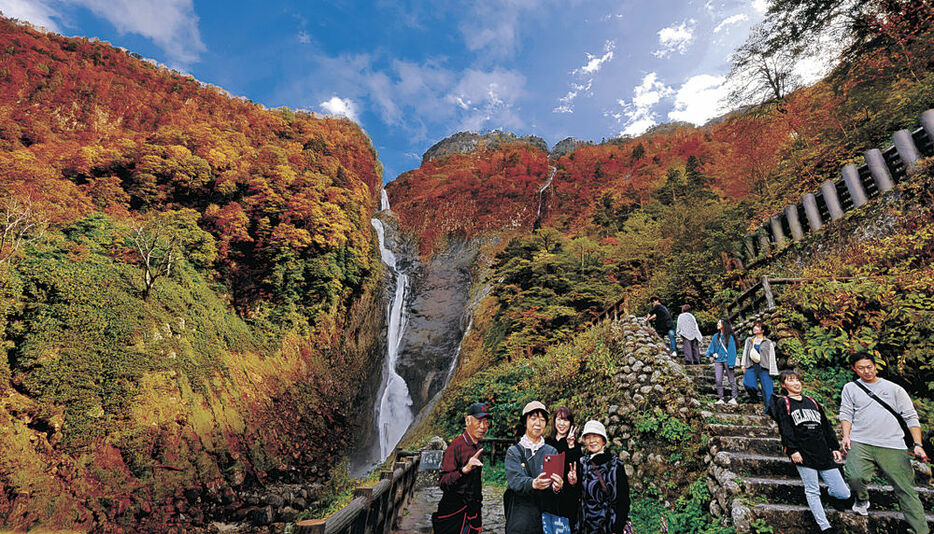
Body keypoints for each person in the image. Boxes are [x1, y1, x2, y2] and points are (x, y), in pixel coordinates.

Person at [839, 352, 930, 534]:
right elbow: (846, 413)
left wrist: (918, 445)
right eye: (861, 368)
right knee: (854, 476)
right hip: (861, 441)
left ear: (875, 365)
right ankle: (862, 499)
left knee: (906, 490)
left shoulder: (895, 389)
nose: (866, 371)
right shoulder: (850, 388)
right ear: (854, 369)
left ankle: (921, 530)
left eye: (869, 367)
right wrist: (846, 436)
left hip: (893, 445)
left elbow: (911, 417)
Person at [771, 370, 850, 533]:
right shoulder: (783, 402)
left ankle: (830, 495)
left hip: (822, 451)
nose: (796, 383)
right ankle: (824, 526)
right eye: (790, 380)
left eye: (797, 380)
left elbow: (826, 427)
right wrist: (792, 450)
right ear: (783, 385)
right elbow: (785, 428)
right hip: (803, 453)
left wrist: (834, 447)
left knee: (843, 493)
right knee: (812, 490)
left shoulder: (812, 401)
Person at [505, 401, 564, 534]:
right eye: (533, 418)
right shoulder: (513, 452)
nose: (538, 423)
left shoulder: (552, 451)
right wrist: (533, 483)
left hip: (545, 519)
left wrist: (558, 487)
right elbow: (515, 481)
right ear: (525, 422)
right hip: (521, 519)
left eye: (542, 419)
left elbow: (554, 487)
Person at [434, 402, 491, 534]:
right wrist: (464, 470)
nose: (483, 426)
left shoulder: (477, 446)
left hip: (473, 512)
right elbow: (443, 481)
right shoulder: (456, 446)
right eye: (479, 421)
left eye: (486, 422)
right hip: (453, 513)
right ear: (467, 420)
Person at [567, 420, 630, 534]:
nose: (592, 441)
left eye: (595, 436)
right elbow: (577, 496)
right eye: (587, 437)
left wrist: (617, 528)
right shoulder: (582, 463)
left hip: (610, 526)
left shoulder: (616, 465)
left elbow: (623, 500)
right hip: (586, 527)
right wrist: (573, 484)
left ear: (603, 440)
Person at [545, 407, 582, 531]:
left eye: (566, 420)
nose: (562, 424)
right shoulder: (545, 443)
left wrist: (571, 446)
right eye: (559, 419)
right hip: (547, 496)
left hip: (567, 498)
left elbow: (578, 471)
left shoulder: (575, 446)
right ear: (554, 421)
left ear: (571, 423)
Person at [739, 321, 778, 413]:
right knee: (748, 384)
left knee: (767, 389)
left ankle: (769, 409)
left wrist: (773, 370)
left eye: (757, 327)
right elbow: (745, 352)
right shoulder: (749, 340)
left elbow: (772, 357)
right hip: (751, 365)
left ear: (763, 330)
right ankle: (754, 398)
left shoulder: (768, 343)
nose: (754, 328)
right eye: (754, 327)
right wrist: (743, 364)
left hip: (764, 367)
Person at [705, 318, 738, 405]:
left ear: (724, 325)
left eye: (720, 323)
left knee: (731, 380)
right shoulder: (716, 336)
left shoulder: (730, 337)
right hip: (718, 360)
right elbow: (711, 346)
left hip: (727, 360)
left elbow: (732, 351)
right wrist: (709, 354)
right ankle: (721, 398)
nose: (718, 324)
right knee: (718, 379)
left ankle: (734, 397)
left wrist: (731, 363)